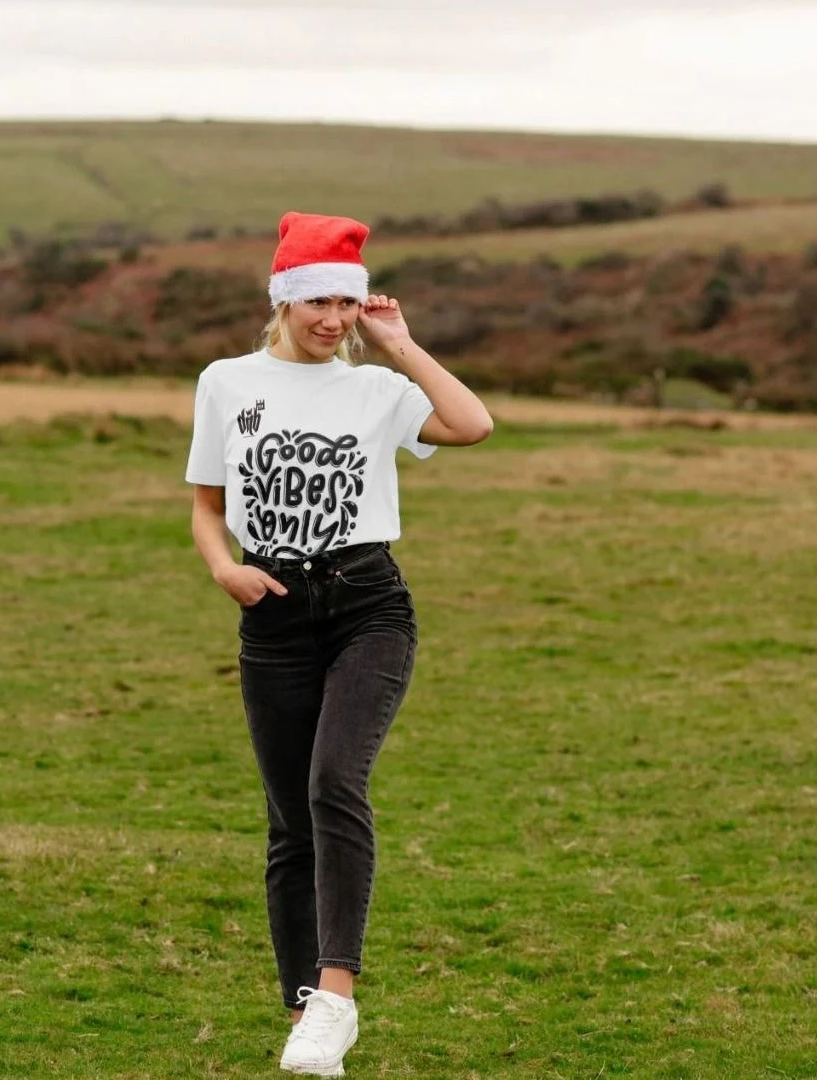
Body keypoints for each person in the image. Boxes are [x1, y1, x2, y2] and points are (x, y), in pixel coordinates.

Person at [186, 211, 493, 1076]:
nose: (332, 319)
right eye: (317, 301)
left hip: (367, 605)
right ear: (282, 300)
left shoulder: (378, 390)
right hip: (273, 613)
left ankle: (336, 998)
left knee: (334, 783)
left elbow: (472, 424)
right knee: (290, 823)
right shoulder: (226, 382)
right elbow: (207, 505)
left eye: (346, 304)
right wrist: (225, 569)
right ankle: (305, 1015)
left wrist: (400, 344)